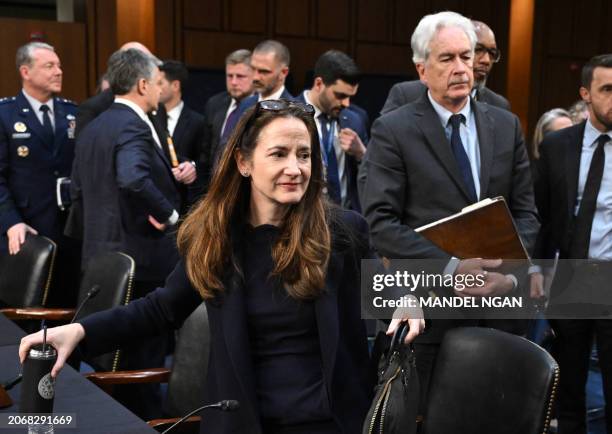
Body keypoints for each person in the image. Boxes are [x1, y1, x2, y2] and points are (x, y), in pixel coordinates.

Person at [20, 99, 423, 434]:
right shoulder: (215, 239)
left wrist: (406, 297)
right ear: (244, 163)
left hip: (332, 423)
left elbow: (386, 289)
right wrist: (80, 330)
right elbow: (161, 309)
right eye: (279, 154)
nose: (296, 168)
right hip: (243, 422)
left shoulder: (343, 231)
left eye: (304, 155)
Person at [359, 11, 539, 415]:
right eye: (447, 59)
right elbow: (381, 223)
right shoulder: (394, 129)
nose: (462, 68)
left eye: (466, 55)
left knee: (494, 420)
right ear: (422, 69)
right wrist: (452, 267)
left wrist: (507, 275)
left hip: (499, 312)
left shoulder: (506, 125)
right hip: (428, 312)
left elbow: (526, 214)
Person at [69, 48, 182, 419]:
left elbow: (78, 191)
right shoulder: (134, 124)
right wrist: (169, 215)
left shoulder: (95, 124)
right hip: (140, 262)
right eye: (158, 83)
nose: (160, 90)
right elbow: (133, 178)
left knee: (114, 364)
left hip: (100, 259)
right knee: (141, 368)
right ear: (144, 83)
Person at [533, 54, 612, 434]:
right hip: (571, 279)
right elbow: (541, 216)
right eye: (607, 90)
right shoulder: (558, 146)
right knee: (570, 394)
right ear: (586, 94)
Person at [0, 41, 80, 306]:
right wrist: (10, 222)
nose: (58, 71)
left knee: (65, 302)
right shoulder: (5, 114)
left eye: (58, 65)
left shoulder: (73, 113)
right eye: (49, 66)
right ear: (26, 72)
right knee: (25, 308)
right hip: (25, 227)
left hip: (68, 228)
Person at [381, 20, 510, 115]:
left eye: (492, 53)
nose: (486, 60)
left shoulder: (499, 106)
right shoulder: (406, 95)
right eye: (478, 50)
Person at [296, 50, 368, 211]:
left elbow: (372, 176)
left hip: (346, 222)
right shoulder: (288, 115)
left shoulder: (355, 120)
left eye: (350, 96)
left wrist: (361, 153)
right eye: (340, 95)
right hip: (302, 218)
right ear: (319, 84)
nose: (346, 104)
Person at [203, 49, 254, 184]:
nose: (234, 82)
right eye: (230, 76)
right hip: (213, 184)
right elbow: (206, 151)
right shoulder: (214, 104)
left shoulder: (260, 107)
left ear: (254, 76)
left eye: (240, 76)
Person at [159, 60, 205, 207]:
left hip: (184, 201)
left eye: (160, 83)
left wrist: (192, 166)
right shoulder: (148, 118)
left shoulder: (197, 121)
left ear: (175, 86)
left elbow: (203, 159)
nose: (155, 88)